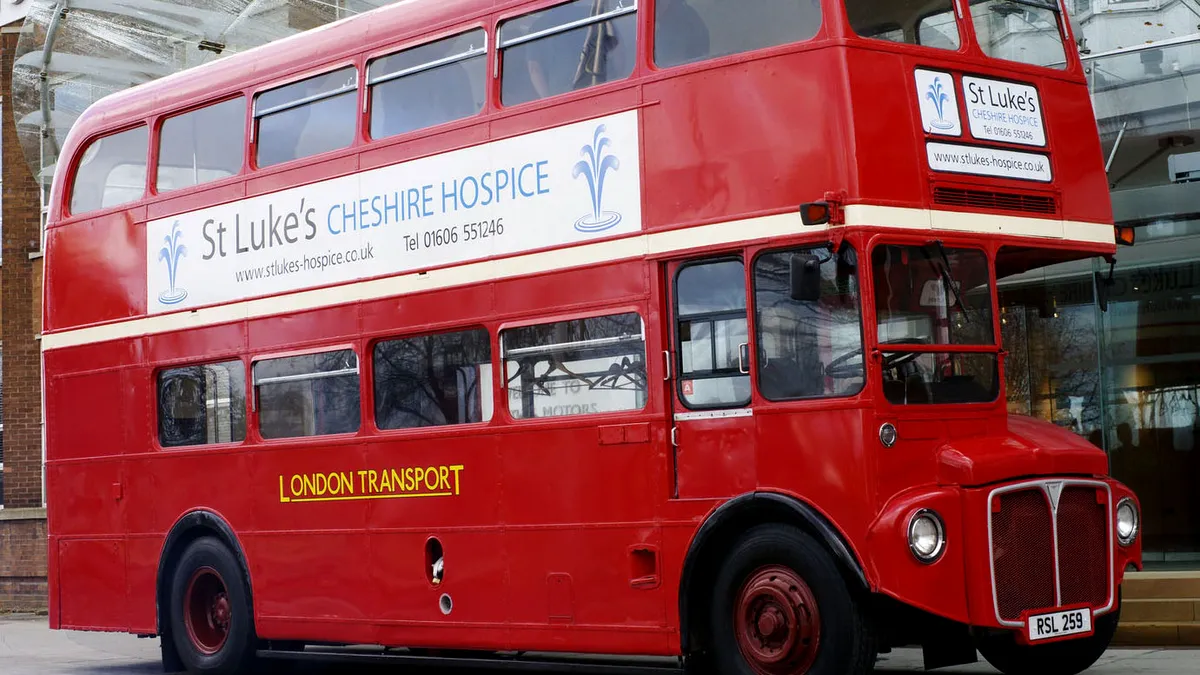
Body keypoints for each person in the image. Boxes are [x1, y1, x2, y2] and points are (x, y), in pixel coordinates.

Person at [654, 0, 711, 67]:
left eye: (658, 3)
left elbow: (673, 59)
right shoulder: (688, 12)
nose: (656, 10)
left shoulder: (675, 21)